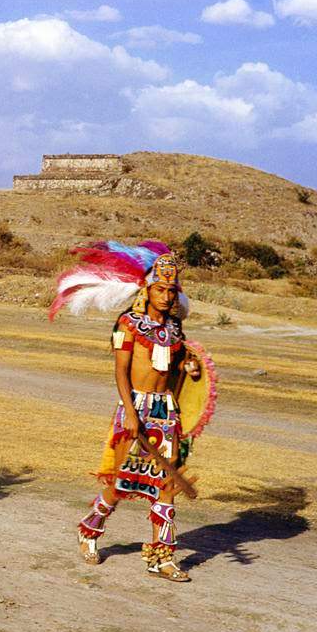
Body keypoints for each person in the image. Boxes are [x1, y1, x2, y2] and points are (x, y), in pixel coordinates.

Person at [50, 242, 203, 582]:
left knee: (165, 485)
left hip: (167, 413)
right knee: (121, 481)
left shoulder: (175, 329)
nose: (166, 296)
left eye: (171, 290)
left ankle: (161, 559)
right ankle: (90, 530)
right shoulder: (128, 324)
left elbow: (176, 370)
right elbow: (120, 372)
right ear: (146, 289)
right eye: (160, 289)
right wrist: (131, 413)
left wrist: (190, 369)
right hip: (135, 408)